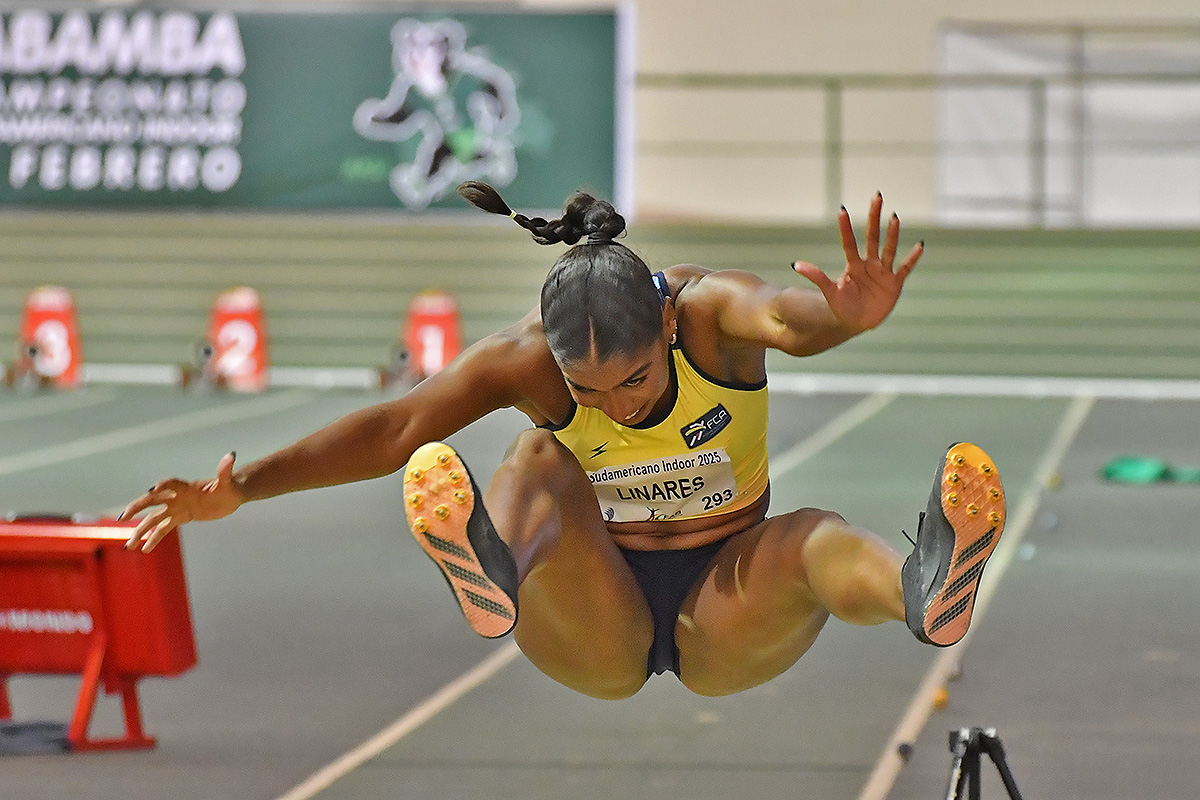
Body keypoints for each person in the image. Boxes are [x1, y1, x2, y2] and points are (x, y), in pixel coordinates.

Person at [122, 182, 1006, 700]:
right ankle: (491, 566)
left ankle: (922, 588)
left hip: (728, 605)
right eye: (587, 391)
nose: (616, 410)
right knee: (537, 458)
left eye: (634, 384)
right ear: (553, 358)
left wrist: (843, 320)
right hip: (597, 614)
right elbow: (396, 427)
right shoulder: (523, 362)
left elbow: (787, 314)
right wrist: (245, 487)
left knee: (813, 534)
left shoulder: (709, 315)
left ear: (665, 324)